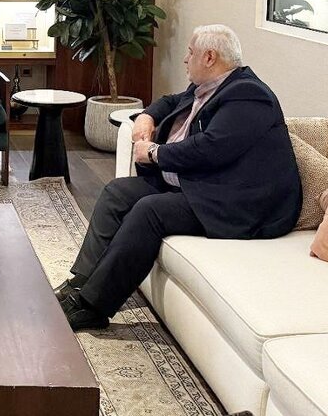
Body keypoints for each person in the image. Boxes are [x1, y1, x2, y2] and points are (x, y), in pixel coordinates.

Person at [55, 24, 302, 330]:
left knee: (150, 211)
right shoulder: (210, 86)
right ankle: (82, 281)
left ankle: (94, 307)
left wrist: (155, 153)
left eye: (190, 52)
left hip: (236, 202)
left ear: (209, 57)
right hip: (198, 185)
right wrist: (146, 116)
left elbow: (211, 148)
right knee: (117, 192)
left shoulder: (249, 96)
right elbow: (171, 101)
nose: (186, 59)